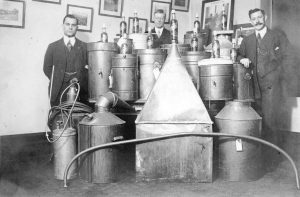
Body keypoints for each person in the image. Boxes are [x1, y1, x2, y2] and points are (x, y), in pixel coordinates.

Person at [237, 8, 298, 168]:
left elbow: (289, 56)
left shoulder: (277, 36)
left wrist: (279, 76)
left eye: (259, 17)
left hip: (272, 87)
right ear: (250, 21)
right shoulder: (247, 40)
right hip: (254, 88)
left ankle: (272, 161)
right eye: (253, 19)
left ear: (265, 17)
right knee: (258, 122)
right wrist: (242, 59)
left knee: (271, 122)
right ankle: (260, 158)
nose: (257, 21)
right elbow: (238, 55)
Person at [43, 14, 89, 107]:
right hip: (58, 91)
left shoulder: (85, 47)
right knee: (58, 119)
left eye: (73, 25)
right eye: (67, 24)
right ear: (63, 26)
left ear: (77, 27)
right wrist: (58, 79)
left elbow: (90, 69)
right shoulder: (53, 47)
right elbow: (46, 68)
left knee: (78, 118)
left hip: (80, 91)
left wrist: (79, 79)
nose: (70, 27)